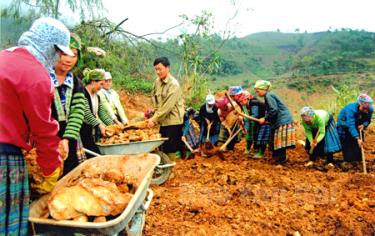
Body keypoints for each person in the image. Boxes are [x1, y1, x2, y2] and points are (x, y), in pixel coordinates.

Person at [0, 17, 72, 235]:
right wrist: (51, 168)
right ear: (50, 47)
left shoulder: (3, 57)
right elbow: (44, 130)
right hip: (5, 157)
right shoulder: (36, 76)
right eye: (58, 52)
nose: (59, 57)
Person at [50, 33, 87, 175]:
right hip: (46, 137)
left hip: (70, 136)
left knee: (70, 175)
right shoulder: (42, 77)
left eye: (74, 54)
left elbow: (78, 112)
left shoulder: (77, 83)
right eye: (64, 53)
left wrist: (66, 138)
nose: (69, 59)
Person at [147, 57, 184, 161]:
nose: (158, 72)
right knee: (162, 146)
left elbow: (167, 107)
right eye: (156, 69)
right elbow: (154, 97)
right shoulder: (157, 82)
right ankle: (165, 169)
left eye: (160, 69)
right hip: (162, 120)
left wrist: (154, 119)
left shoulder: (174, 85)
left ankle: (170, 170)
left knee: (170, 148)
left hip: (173, 121)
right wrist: (153, 113)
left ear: (167, 68)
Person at [254, 80, 296, 164]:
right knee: (276, 140)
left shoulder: (268, 96)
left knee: (280, 142)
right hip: (281, 120)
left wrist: (265, 118)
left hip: (282, 120)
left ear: (263, 89)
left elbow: (274, 110)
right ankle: (277, 159)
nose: (257, 93)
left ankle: (281, 161)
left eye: (257, 91)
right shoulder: (269, 95)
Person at [80, 68, 114, 157]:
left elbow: (102, 113)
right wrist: (99, 125)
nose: (102, 87)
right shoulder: (82, 93)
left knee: (94, 152)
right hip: (82, 130)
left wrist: (113, 125)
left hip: (92, 129)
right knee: (91, 154)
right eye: (101, 84)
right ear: (93, 82)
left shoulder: (97, 96)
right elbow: (86, 113)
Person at [337, 94, 373, 163]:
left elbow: (368, 120)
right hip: (345, 125)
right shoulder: (351, 110)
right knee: (348, 143)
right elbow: (351, 125)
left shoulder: (370, 109)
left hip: (357, 125)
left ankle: (358, 160)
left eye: (367, 109)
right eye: (364, 108)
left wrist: (364, 125)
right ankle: (348, 161)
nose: (365, 111)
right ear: (360, 104)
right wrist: (357, 138)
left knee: (359, 145)